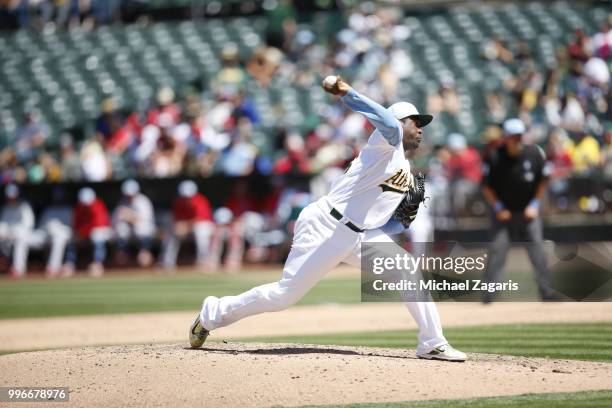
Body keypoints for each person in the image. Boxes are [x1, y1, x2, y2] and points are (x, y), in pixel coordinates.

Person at [189, 76, 467, 362]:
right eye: (414, 122)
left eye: (422, 125)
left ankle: (432, 342)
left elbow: (388, 221)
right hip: (327, 225)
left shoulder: (405, 173)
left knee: (408, 271)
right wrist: (349, 93)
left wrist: (404, 219)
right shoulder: (385, 143)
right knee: (283, 296)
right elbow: (385, 120)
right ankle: (213, 312)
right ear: (399, 123)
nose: (420, 130)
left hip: (361, 234)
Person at [481, 118, 557, 302]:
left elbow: (543, 180)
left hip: (528, 210)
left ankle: (546, 293)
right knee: (497, 250)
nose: (518, 140)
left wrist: (534, 205)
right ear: (506, 138)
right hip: (503, 211)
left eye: (520, 136)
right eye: (514, 137)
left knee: (537, 249)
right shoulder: (494, 156)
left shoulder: (534, 152)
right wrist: (498, 207)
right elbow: (486, 186)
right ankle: (488, 296)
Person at [160, 180, 214, 271]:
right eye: (185, 196)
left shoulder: (200, 200)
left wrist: (185, 226)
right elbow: (176, 219)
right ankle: (167, 263)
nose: (187, 198)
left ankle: (204, 261)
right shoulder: (178, 202)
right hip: (186, 228)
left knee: (200, 231)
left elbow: (200, 219)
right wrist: (178, 227)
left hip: (202, 227)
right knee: (172, 232)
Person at [62, 187, 112, 277]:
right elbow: (75, 223)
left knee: (97, 234)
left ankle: (97, 263)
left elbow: (98, 224)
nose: (85, 205)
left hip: (102, 231)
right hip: (84, 232)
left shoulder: (98, 205)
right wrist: (80, 232)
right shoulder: (79, 207)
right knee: (71, 235)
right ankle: (70, 263)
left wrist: (83, 232)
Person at [112, 179, 155, 267]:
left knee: (141, 228)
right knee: (121, 228)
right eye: (128, 194)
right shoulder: (122, 202)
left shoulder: (143, 201)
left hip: (143, 229)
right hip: (129, 229)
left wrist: (128, 216)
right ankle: (122, 254)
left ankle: (145, 252)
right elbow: (116, 218)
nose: (130, 196)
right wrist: (129, 217)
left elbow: (143, 219)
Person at [0, 184, 35, 278]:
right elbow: (3, 224)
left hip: (25, 235)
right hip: (8, 237)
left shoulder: (24, 206)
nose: (11, 198)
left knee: (20, 239)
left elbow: (28, 225)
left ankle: (18, 269)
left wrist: (12, 232)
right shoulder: (6, 208)